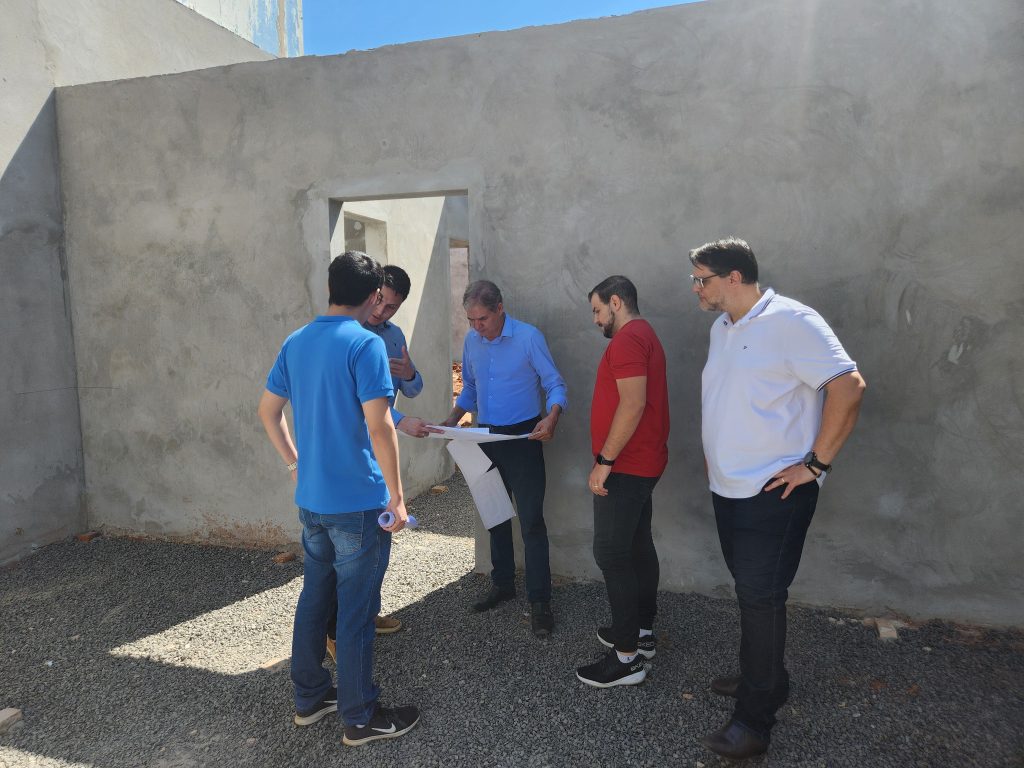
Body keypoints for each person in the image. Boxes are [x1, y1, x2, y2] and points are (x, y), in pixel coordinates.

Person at [689, 238, 866, 760]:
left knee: (761, 598)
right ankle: (762, 677)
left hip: (774, 492)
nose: (695, 288)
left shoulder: (793, 321)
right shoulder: (722, 328)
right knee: (751, 593)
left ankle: (754, 720)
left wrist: (815, 465)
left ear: (734, 277)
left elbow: (849, 387)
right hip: (728, 487)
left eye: (701, 279)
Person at [257, 251, 420, 747]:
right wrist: (397, 496)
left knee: (315, 597)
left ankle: (310, 698)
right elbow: (380, 426)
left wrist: (295, 465)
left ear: (330, 288)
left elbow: (267, 412)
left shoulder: (296, 341)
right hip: (357, 504)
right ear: (373, 295)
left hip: (313, 501)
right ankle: (360, 716)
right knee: (355, 611)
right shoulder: (365, 344)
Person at [440, 280, 568, 638]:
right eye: (470, 320)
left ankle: (540, 600)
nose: (476, 327)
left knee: (531, 521)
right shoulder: (472, 342)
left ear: (500, 309)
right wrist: (451, 420)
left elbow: (554, 384)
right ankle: (503, 584)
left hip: (523, 438)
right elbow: (471, 387)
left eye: (482, 319)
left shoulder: (528, 338)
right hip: (484, 437)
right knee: (494, 514)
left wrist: (552, 417)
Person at [324, 264, 424, 659]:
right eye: (380, 301)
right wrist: (400, 421)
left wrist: (410, 373)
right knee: (350, 551)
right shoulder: (350, 334)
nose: (382, 311)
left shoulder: (394, 337)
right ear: (371, 293)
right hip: (353, 450)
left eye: (392, 307)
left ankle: (366, 613)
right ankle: (337, 631)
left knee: (378, 543)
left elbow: (412, 388)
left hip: (379, 452)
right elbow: (358, 401)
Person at [576, 276, 669, 688]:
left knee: (612, 553)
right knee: (636, 545)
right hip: (641, 462)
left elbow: (633, 404)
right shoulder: (643, 335)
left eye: (597, 310)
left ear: (616, 302)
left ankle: (627, 657)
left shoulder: (629, 339)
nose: (596, 320)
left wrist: (605, 461)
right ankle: (641, 633)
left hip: (627, 465)